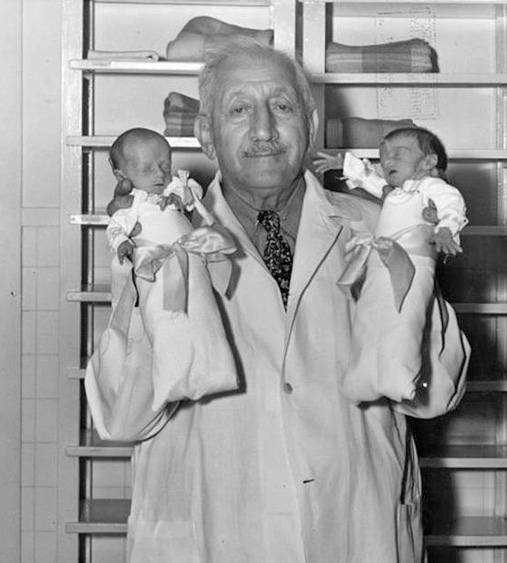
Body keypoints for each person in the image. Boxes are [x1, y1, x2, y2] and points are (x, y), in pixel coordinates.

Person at [85, 39, 469, 563]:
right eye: (239, 110)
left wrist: (416, 266)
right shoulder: (157, 236)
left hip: (357, 530)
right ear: (205, 134)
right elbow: (121, 421)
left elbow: (433, 396)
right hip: (213, 539)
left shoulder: (378, 223)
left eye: (282, 107)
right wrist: (145, 286)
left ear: (310, 124)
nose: (264, 130)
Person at [88, 127, 238, 413]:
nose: (159, 174)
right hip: (157, 271)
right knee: (166, 325)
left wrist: (182, 197)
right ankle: (169, 381)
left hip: (192, 264)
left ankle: (215, 370)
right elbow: (116, 227)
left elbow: (193, 191)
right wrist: (121, 243)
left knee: (204, 317)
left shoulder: (172, 189)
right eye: (146, 169)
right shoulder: (131, 203)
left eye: (165, 165)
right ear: (122, 175)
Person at [313, 128, 468, 403]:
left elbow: (452, 204)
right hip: (379, 262)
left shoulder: (429, 187)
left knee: (404, 318)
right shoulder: (395, 193)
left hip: (412, 265)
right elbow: (370, 181)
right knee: (369, 317)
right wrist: (345, 165)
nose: (387, 161)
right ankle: (361, 375)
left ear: (428, 161)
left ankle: (401, 373)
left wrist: (446, 228)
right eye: (383, 155)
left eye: (398, 153)